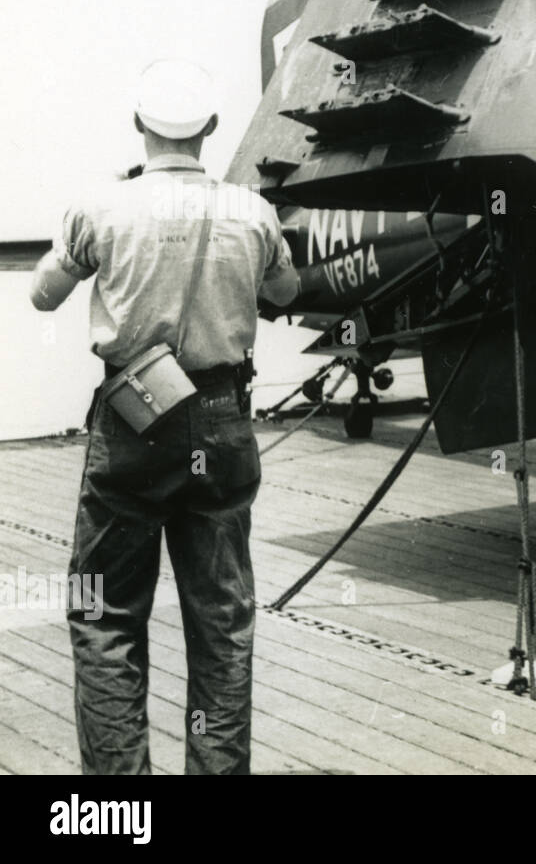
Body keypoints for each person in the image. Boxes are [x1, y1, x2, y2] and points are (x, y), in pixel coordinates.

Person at [29, 58, 300, 773]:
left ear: (140, 126)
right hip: (221, 415)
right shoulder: (252, 211)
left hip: (134, 423)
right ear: (211, 128)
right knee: (221, 622)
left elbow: (42, 295)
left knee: (106, 613)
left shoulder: (103, 208)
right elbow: (287, 289)